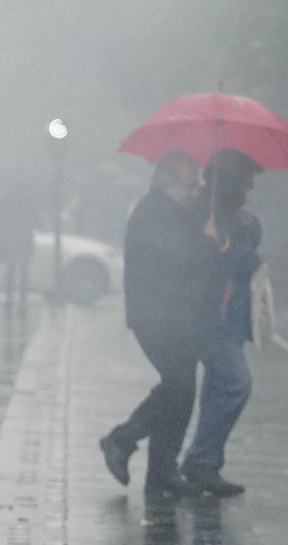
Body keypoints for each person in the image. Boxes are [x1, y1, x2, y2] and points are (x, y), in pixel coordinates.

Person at [98, 150, 213, 497]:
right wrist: (205, 237)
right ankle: (122, 439)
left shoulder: (181, 214)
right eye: (188, 181)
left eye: (197, 181)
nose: (194, 188)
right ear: (166, 181)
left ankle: (161, 471)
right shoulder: (152, 213)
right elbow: (177, 258)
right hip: (157, 314)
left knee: (180, 389)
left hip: (180, 313)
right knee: (178, 386)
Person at [181, 149, 264, 497]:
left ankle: (208, 463)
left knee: (218, 389)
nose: (249, 188)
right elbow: (224, 262)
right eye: (244, 181)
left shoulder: (236, 218)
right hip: (211, 316)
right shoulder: (204, 216)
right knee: (235, 384)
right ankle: (200, 458)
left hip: (230, 317)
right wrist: (244, 250)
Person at [0, 185, 37, 320]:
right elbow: (36, 220)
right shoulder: (28, 201)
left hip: (11, 239)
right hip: (24, 240)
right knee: (23, 271)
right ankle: (22, 302)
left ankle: (9, 301)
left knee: (11, 270)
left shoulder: (6, 201)